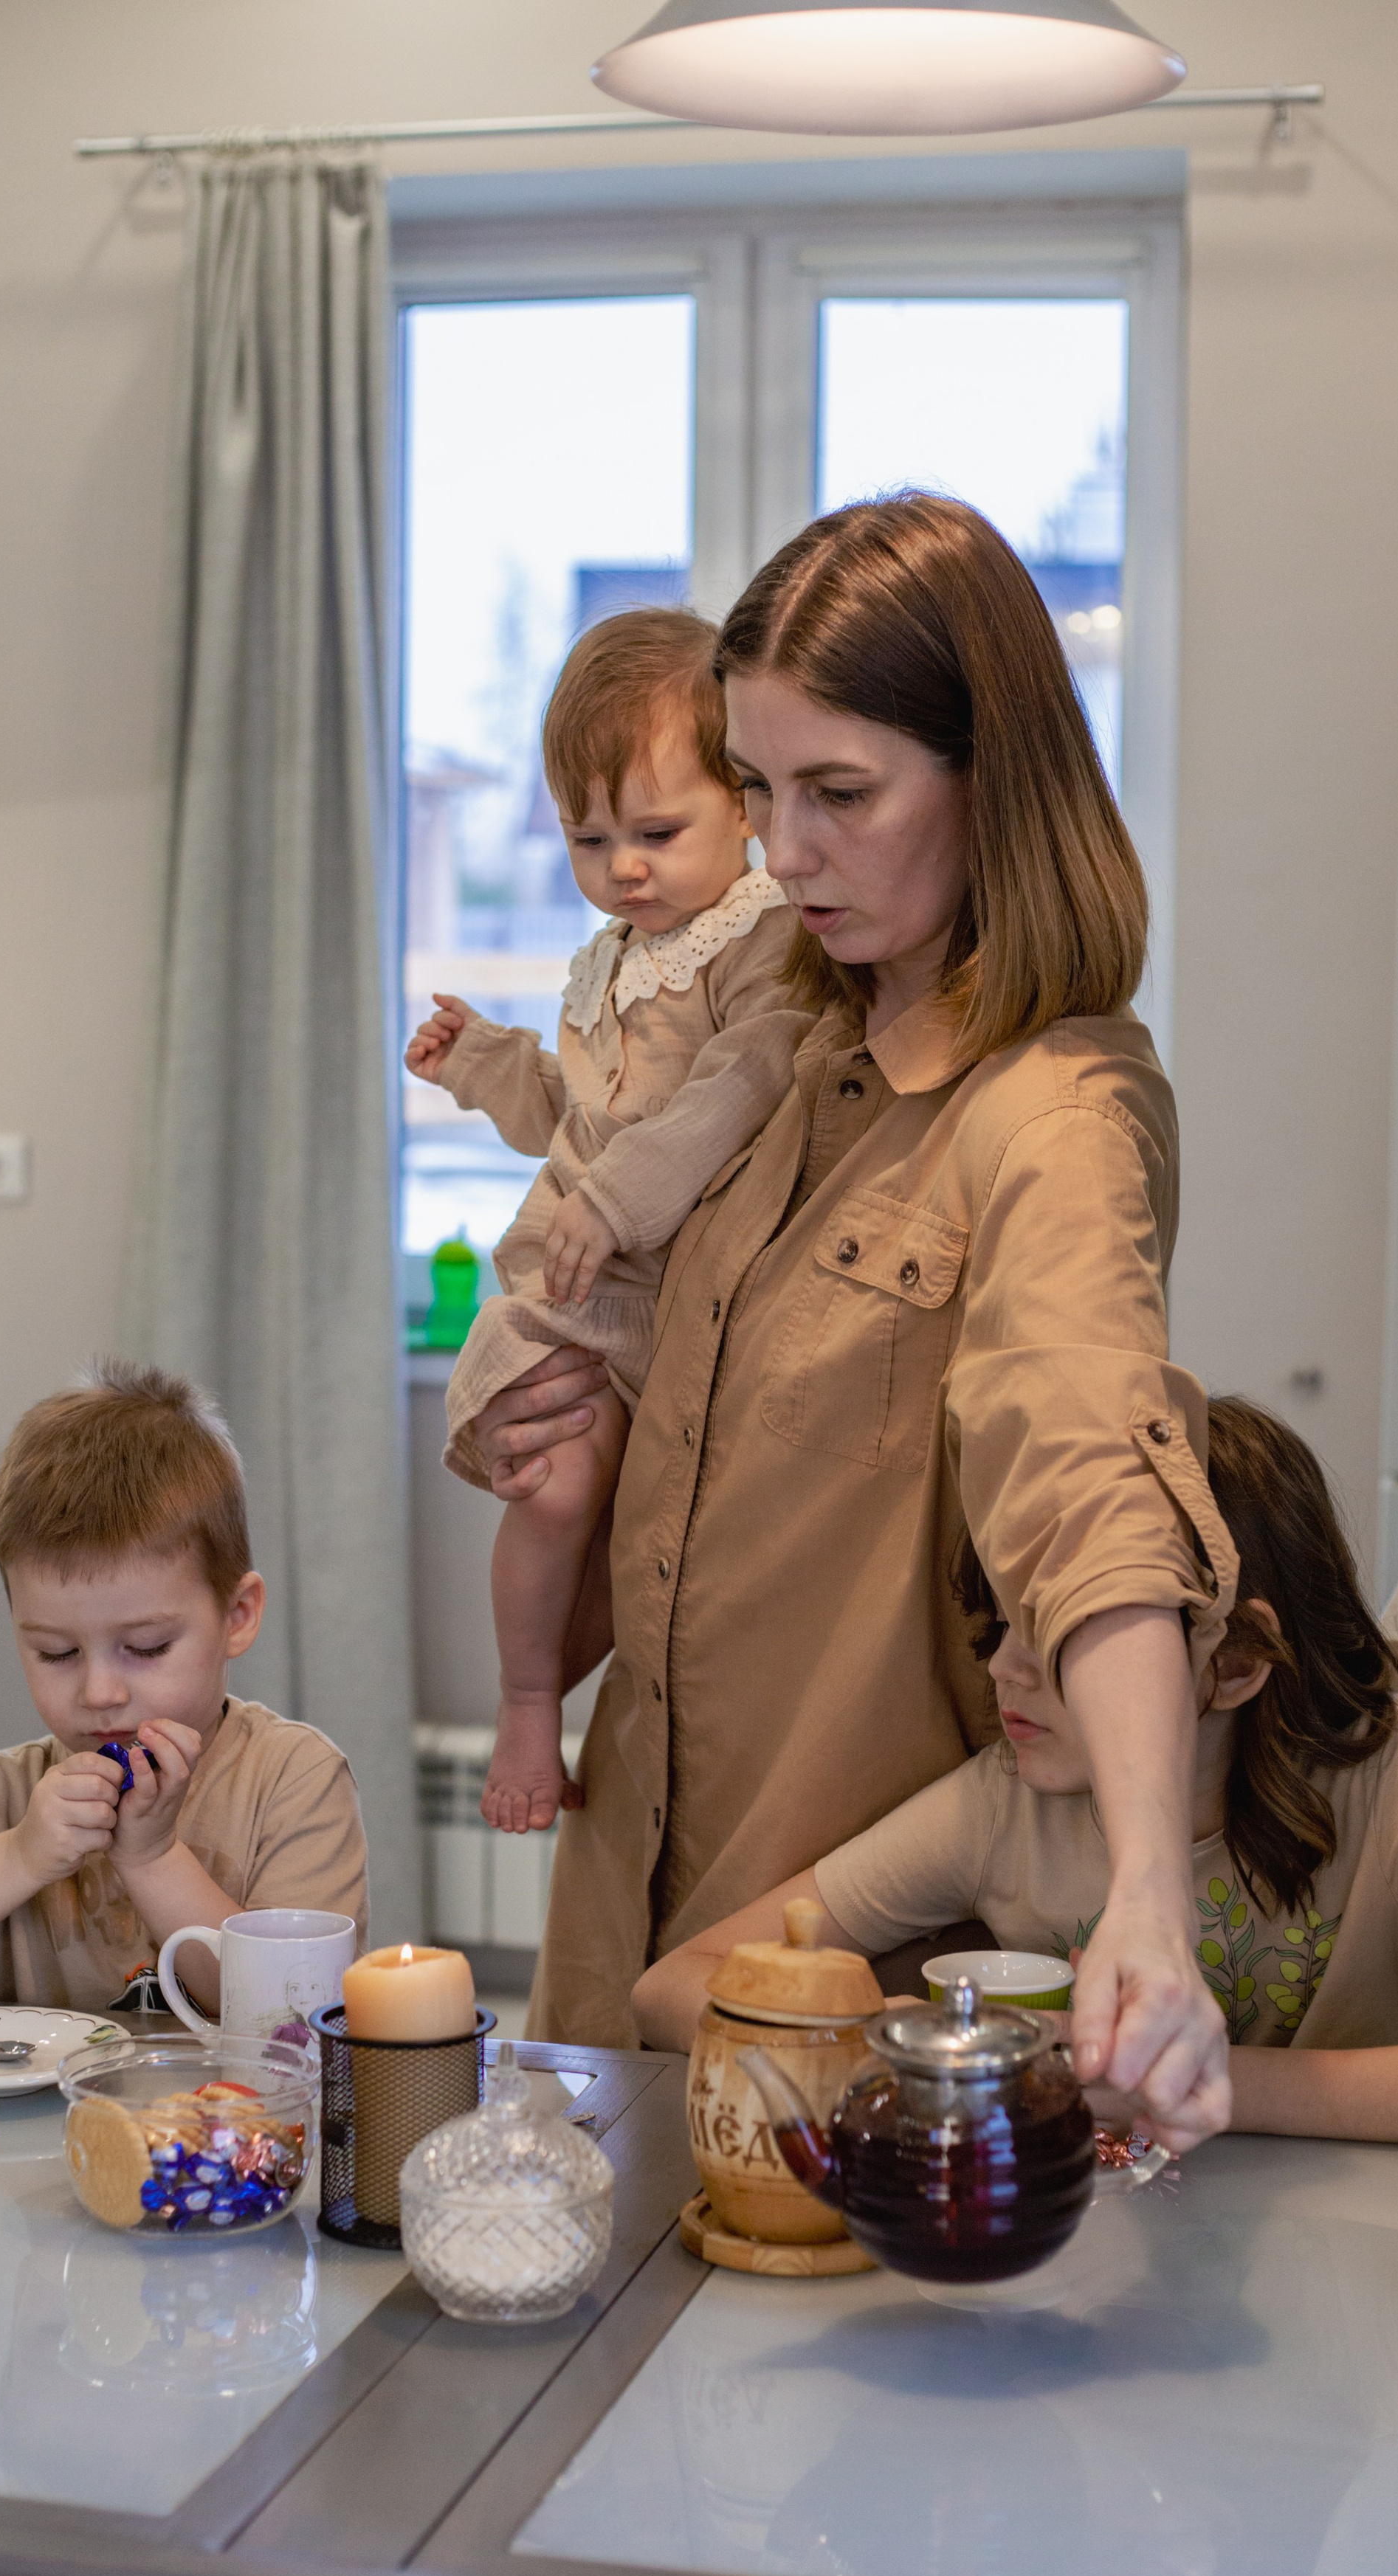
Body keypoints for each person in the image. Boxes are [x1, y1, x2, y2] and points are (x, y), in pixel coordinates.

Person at [472, 494, 1236, 2149]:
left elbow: (1088, 1475)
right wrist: (573, 1452)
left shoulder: (1053, 1115)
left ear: (995, 784)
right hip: (625, 1901)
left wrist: (1147, 1896)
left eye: (839, 795)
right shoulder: (767, 1050)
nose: (782, 851)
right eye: (754, 791)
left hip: (847, 1977)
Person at [634, 1398, 1398, 2146]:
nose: (1001, 1670)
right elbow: (671, 1986)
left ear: (1237, 1662)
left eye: (1062, 1639)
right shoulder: (1003, 1802)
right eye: (997, 1626)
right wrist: (863, 2036)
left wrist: (1199, 2087)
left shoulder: (1397, 1766)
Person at [406, 607, 805, 1836]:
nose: (623, 865)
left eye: (656, 831)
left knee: (646, 1535)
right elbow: (567, 1114)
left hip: (665, 1293)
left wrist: (616, 1198)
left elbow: (744, 1086)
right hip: (580, 1296)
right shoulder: (607, 960)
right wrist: (482, 1063)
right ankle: (527, 1708)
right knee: (558, 1490)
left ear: (745, 805)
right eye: (589, 837)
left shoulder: (764, 939)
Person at [0, 1360, 367, 2011]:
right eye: (57, 1652)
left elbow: (295, 2016)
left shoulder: (294, 1781)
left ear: (236, 1618)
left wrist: (154, 1859)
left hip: (244, 2114)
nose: (99, 1691)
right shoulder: (10, 1792)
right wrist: (21, 1856)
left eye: (146, 1647)